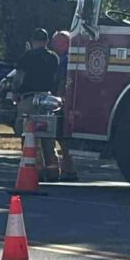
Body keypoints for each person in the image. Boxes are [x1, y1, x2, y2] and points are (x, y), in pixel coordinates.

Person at [14, 28, 61, 180]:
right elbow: (57, 79)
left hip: (29, 99)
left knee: (29, 135)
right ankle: (53, 171)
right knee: (48, 137)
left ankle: (35, 170)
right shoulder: (54, 57)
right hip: (48, 99)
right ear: (47, 41)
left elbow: (18, 78)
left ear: (32, 41)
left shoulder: (26, 57)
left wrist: (15, 92)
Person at [50, 30, 78, 182]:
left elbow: (62, 81)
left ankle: (67, 169)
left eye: (56, 42)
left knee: (61, 136)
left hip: (63, 103)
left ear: (64, 43)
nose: (53, 45)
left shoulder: (65, 59)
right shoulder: (73, 57)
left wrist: (58, 100)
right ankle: (68, 169)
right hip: (72, 102)